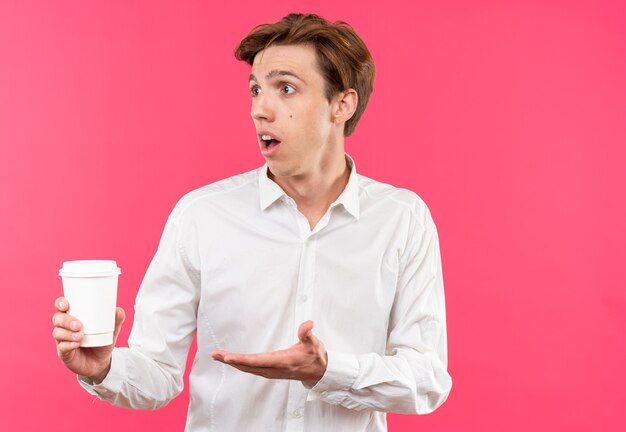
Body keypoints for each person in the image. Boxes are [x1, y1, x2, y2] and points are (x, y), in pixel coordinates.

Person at [52, 13, 452, 431]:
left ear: (342, 104)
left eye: (286, 88)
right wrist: (103, 367)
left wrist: (326, 370)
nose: (260, 108)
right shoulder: (201, 216)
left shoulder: (402, 219)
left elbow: (425, 380)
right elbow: (158, 374)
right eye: (256, 90)